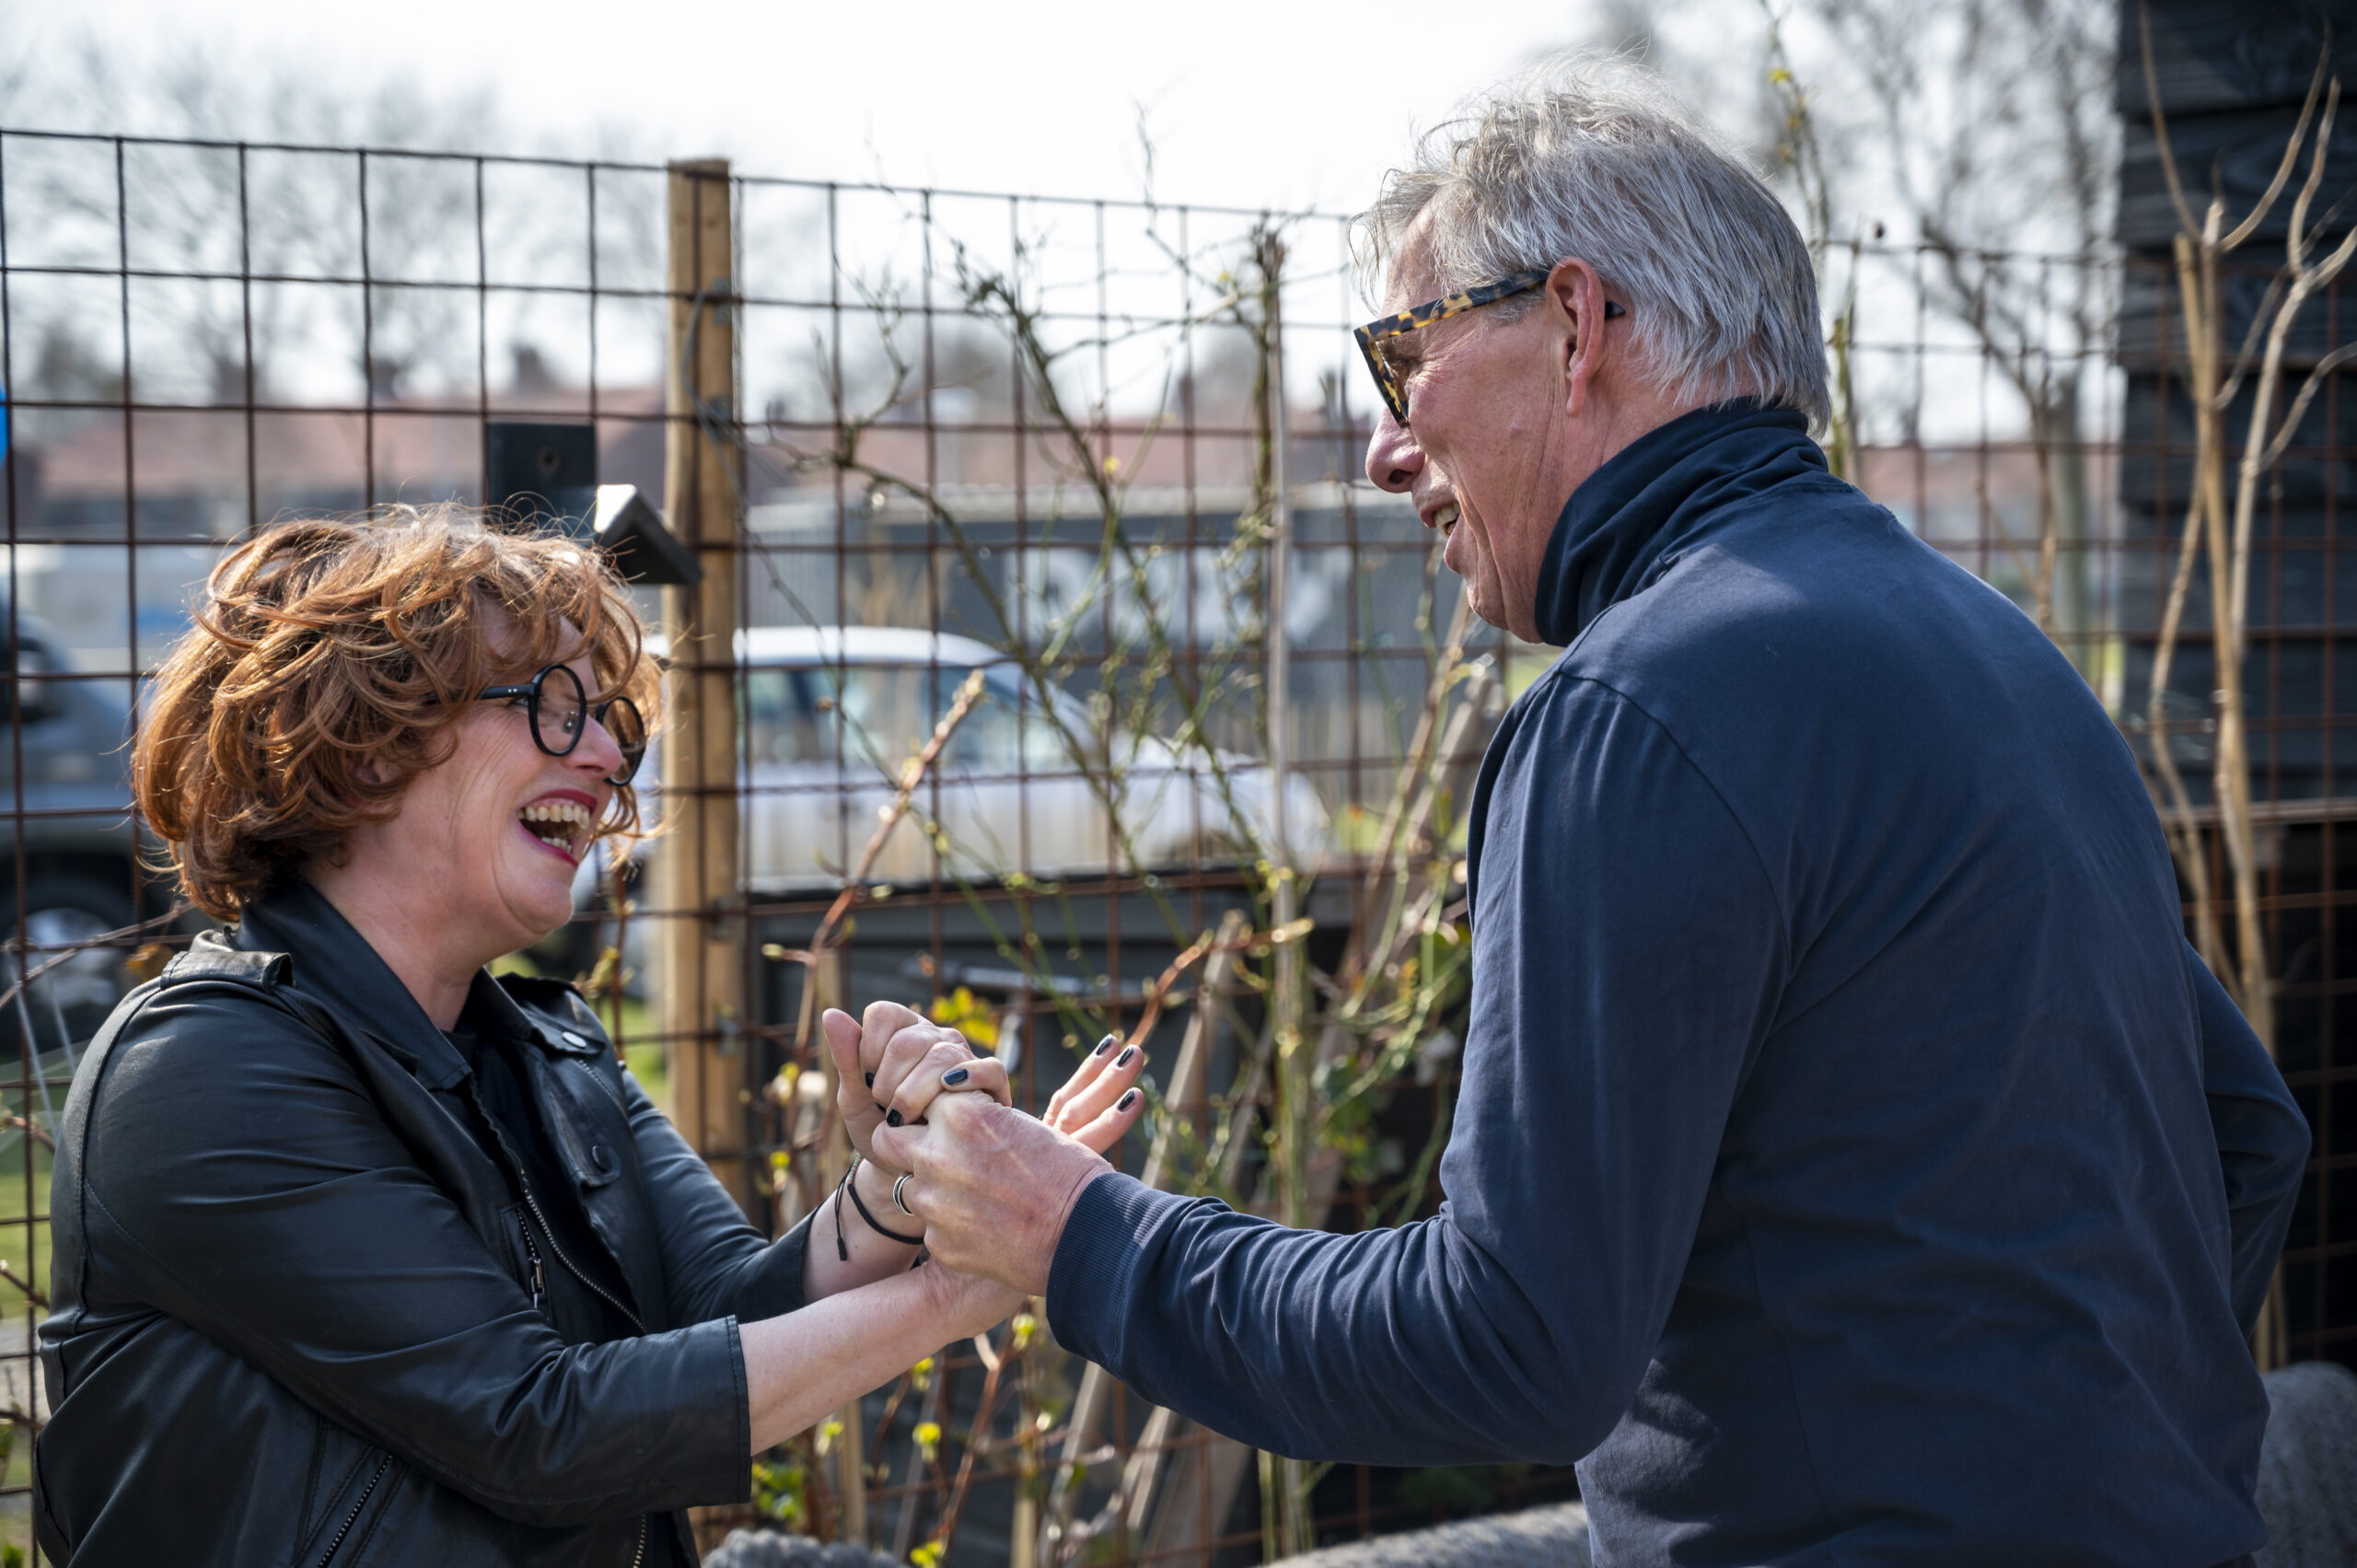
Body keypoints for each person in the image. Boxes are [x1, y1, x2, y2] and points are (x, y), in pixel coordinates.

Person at [866, 59, 2313, 1567]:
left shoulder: (1642, 707)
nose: (1383, 448)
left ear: (1575, 322)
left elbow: (1509, 1336)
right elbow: (2247, 1135)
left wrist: (1082, 1232)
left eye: (1402, 355)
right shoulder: (2003, 656)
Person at [35, 508, 1145, 1565]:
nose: (610, 755)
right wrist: (958, 1292)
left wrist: (909, 1192)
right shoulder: (202, 1066)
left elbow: (730, 1324)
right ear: (365, 744)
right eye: (554, 703)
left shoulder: (553, 1054)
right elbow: (535, 1425)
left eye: (612, 716)